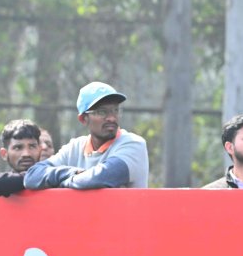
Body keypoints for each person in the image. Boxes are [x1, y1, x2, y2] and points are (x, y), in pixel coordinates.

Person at [16, 81, 149, 191]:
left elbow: (100, 178)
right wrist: (72, 174)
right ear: (83, 119)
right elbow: (32, 175)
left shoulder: (133, 144)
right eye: (102, 112)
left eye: (115, 110)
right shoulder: (75, 147)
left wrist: (61, 183)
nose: (112, 118)